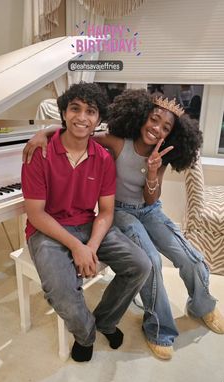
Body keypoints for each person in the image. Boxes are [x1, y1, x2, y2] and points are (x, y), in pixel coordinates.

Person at [23, 88, 224, 361]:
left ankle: (203, 305)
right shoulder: (115, 143)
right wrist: (44, 132)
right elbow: (78, 131)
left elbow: (149, 197)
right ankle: (145, 330)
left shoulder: (154, 155)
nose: (157, 128)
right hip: (114, 213)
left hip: (145, 210)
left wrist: (153, 171)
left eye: (165, 127)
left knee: (185, 257)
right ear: (141, 116)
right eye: (154, 119)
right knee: (149, 262)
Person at [21, 83, 152, 363]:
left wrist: (90, 245)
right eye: (75, 109)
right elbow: (36, 214)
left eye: (90, 111)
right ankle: (86, 334)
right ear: (64, 113)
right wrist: (75, 247)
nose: (82, 117)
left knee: (141, 265)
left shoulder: (103, 158)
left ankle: (105, 320)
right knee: (61, 290)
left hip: (87, 224)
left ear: (98, 119)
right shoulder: (39, 153)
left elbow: (105, 211)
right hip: (46, 230)